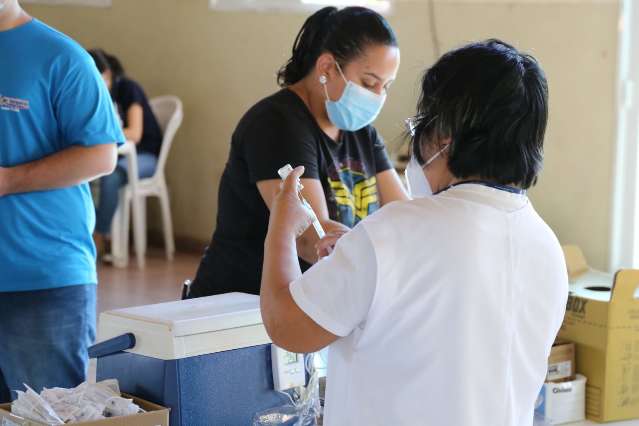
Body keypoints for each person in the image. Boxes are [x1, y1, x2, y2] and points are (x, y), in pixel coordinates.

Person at [260, 40, 568, 425]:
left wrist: (281, 229)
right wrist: (360, 266)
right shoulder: (547, 247)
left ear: (442, 138)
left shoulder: (395, 231)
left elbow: (286, 325)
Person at [187, 6, 408, 298]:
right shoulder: (277, 124)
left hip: (315, 300)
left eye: (386, 87)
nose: (377, 97)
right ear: (327, 67)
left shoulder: (360, 131)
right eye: (369, 83)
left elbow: (403, 215)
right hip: (243, 309)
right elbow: (310, 239)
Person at [0, 0, 124, 402]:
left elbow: (102, 154)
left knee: (46, 411)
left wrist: (8, 180)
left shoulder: (60, 57)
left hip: (40, 276)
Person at [88, 48, 163, 256]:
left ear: (108, 74)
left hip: (144, 156)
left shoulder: (128, 89)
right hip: (116, 155)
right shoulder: (92, 95)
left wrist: (101, 132)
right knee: (81, 173)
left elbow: (135, 133)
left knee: (111, 177)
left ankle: (100, 236)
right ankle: (84, 232)